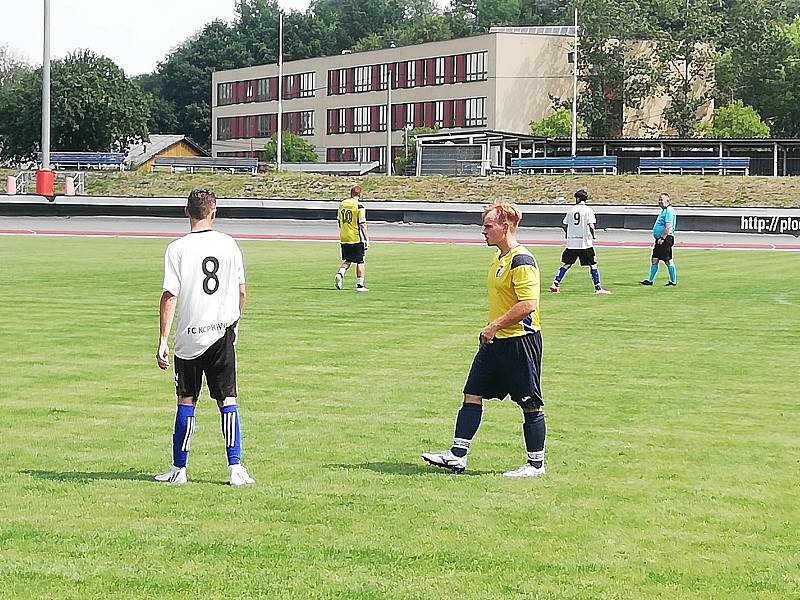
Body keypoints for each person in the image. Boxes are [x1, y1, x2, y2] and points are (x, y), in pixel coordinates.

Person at [422, 202, 547, 479]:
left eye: (488, 226)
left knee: (530, 402)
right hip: (494, 342)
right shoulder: (499, 258)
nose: (483, 231)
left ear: (505, 227)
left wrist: (495, 326)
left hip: (519, 341)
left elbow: (528, 304)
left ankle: (536, 465)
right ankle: (457, 455)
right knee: (472, 393)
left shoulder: (522, 260)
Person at [154, 189, 255, 487]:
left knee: (186, 400)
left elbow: (169, 296)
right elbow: (242, 291)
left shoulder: (177, 249)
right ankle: (235, 467)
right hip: (221, 332)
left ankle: (179, 469)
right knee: (228, 399)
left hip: (189, 337)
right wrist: (234, 323)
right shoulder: (228, 244)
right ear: (214, 213)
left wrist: (162, 338)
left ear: (186, 212)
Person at [548, 189, 610, 295]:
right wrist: (594, 235)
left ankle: (555, 283)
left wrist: (568, 233)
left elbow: (564, 224)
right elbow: (591, 225)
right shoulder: (588, 210)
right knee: (593, 265)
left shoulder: (571, 210)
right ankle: (598, 288)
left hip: (572, 243)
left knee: (567, 264)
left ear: (577, 198)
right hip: (585, 243)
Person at [334, 185, 370, 292]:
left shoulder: (342, 204)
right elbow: (362, 224)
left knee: (348, 259)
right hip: (355, 236)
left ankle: (340, 273)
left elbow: (339, 221)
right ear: (360, 194)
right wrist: (366, 239)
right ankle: (360, 285)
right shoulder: (359, 206)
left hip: (344, 236)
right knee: (360, 261)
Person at [640, 193, 678, 286]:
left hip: (665, 239)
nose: (660, 202)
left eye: (662, 200)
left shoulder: (669, 211)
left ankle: (673, 281)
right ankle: (650, 280)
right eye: (659, 200)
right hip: (660, 239)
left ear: (668, 201)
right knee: (654, 259)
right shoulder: (664, 211)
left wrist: (662, 238)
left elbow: (668, 226)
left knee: (668, 260)